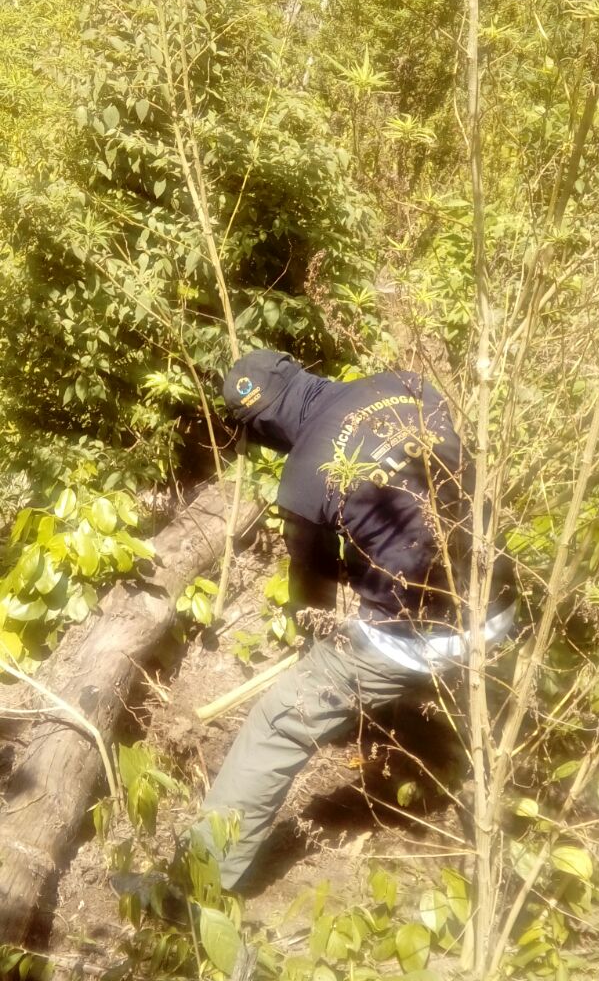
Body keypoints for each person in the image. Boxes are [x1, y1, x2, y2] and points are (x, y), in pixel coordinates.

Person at [193, 350, 516, 891]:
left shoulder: (302, 481)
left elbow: (313, 597)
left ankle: (202, 880)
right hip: (500, 602)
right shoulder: (406, 383)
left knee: (277, 723)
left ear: (264, 427)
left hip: (419, 642)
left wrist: (311, 646)